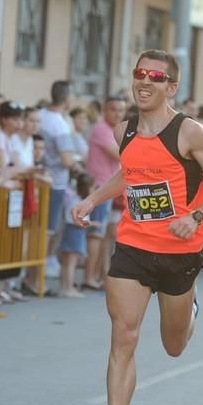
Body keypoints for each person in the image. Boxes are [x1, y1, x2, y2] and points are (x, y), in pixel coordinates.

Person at [71, 50, 203, 405]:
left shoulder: (189, 132)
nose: (145, 81)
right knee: (123, 337)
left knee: (174, 345)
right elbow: (130, 173)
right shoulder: (124, 129)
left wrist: (195, 216)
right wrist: (92, 198)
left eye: (156, 76)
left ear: (171, 87)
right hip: (133, 248)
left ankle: (190, 305)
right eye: (140, 74)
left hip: (179, 253)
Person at [36, 81, 76, 287]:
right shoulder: (60, 124)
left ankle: (33, 275)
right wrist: (77, 161)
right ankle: (37, 277)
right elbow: (68, 160)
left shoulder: (40, 115)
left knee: (38, 228)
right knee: (48, 230)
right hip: (56, 182)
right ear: (67, 98)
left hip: (39, 177)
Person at [83, 96, 125, 290]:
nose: (117, 113)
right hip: (100, 186)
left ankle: (99, 274)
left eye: (120, 110)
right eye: (113, 109)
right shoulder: (102, 129)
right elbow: (120, 154)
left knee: (105, 234)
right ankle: (89, 277)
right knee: (96, 235)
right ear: (105, 111)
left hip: (108, 187)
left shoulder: (113, 130)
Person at [58, 173, 94, 298]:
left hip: (68, 230)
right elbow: (81, 220)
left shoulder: (72, 199)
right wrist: (93, 224)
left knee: (66, 262)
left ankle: (64, 286)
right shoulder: (80, 202)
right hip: (76, 232)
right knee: (71, 262)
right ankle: (69, 287)